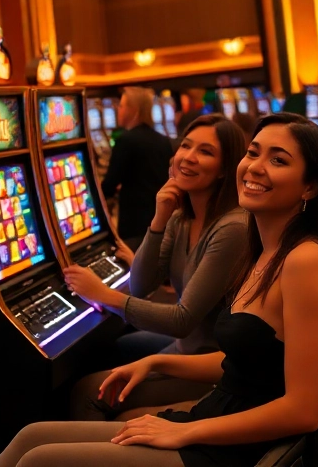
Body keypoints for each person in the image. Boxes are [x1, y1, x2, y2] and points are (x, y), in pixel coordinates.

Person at [0, 114, 318, 467]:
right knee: (31, 436)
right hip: (216, 418)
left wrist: (186, 430)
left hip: (236, 446)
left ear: (311, 186)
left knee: (39, 460)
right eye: (253, 153)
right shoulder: (265, 248)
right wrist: (158, 361)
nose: (255, 167)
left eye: (278, 161)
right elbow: (250, 363)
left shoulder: (308, 261)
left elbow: (303, 410)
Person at [66, 115, 250, 420]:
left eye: (205, 152)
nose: (188, 157)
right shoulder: (182, 217)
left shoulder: (232, 228)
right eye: (185, 146)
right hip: (187, 348)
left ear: (224, 170)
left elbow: (181, 320)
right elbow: (141, 285)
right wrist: (160, 216)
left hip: (215, 364)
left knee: (88, 392)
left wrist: (102, 294)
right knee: (119, 347)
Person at [103, 87, 177, 249]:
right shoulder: (163, 140)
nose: (118, 110)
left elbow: (109, 184)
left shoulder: (126, 140)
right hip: (160, 217)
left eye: (121, 106)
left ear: (133, 110)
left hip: (134, 222)